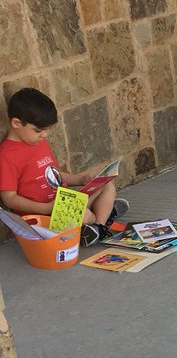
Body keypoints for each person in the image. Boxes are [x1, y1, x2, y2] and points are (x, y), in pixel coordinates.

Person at [0, 87, 128, 247]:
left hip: (66, 202)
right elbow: (9, 199)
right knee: (84, 215)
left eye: (47, 130)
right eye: (39, 130)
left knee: (107, 185)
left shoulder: (37, 141)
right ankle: (101, 220)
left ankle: (97, 227)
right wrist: (46, 208)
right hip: (44, 218)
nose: (44, 135)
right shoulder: (6, 155)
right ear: (17, 123)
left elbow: (53, 174)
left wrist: (80, 178)